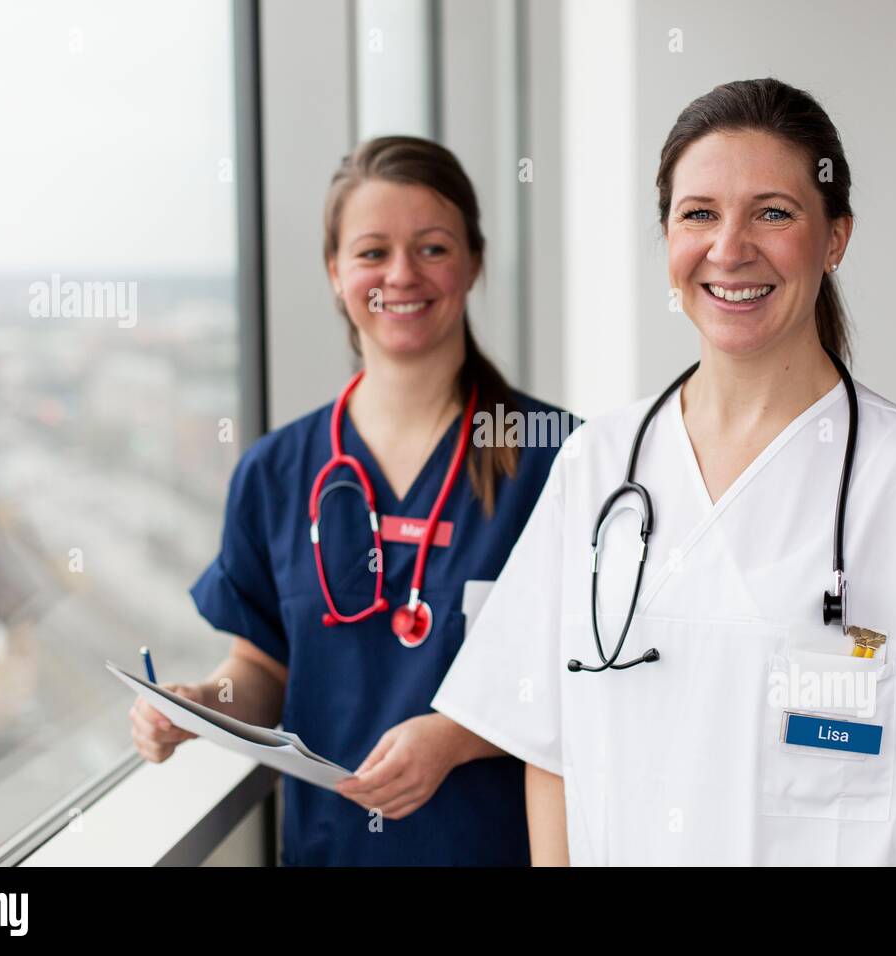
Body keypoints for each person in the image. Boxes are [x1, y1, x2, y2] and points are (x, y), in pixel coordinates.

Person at [430, 78, 896, 866]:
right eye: (699, 214)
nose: (730, 249)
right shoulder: (597, 466)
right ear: (666, 236)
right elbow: (546, 745)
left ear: (835, 239)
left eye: (774, 212)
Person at [129, 135, 579, 866]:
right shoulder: (276, 473)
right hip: (330, 851)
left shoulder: (559, 456)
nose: (401, 274)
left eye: (432, 248)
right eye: (372, 252)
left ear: (473, 262)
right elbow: (265, 672)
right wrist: (201, 706)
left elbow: (590, 678)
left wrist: (454, 739)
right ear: (335, 272)